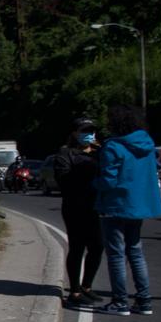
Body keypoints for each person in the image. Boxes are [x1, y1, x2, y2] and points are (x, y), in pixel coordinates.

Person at [92, 105, 161, 316]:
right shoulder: (148, 146)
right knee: (136, 252)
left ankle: (120, 301)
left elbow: (108, 180)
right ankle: (144, 300)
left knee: (116, 255)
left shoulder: (113, 146)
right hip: (137, 206)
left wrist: (93, 183)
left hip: (115, 205)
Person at [53, 117, 104, 308]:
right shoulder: (65, 154)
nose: (89, 134)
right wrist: (85, 172)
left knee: (98, 246)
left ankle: (87, 287)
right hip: (75, 207)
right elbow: (64, 181)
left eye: (91, 130)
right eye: (84, 131)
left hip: (94, 206)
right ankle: (74, 291)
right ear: (75, 133)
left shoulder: (98, 152)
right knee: (77, 247)